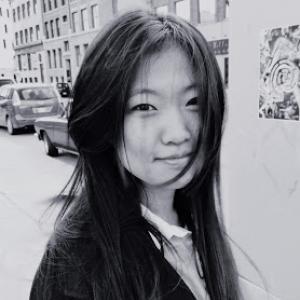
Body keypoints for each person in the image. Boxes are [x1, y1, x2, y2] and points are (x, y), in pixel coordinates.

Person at [30, 10, 242, 300]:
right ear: (105, 121)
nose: (179, 133)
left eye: (194, 101)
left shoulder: (189, 219)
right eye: (145, 107)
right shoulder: (78, 267)